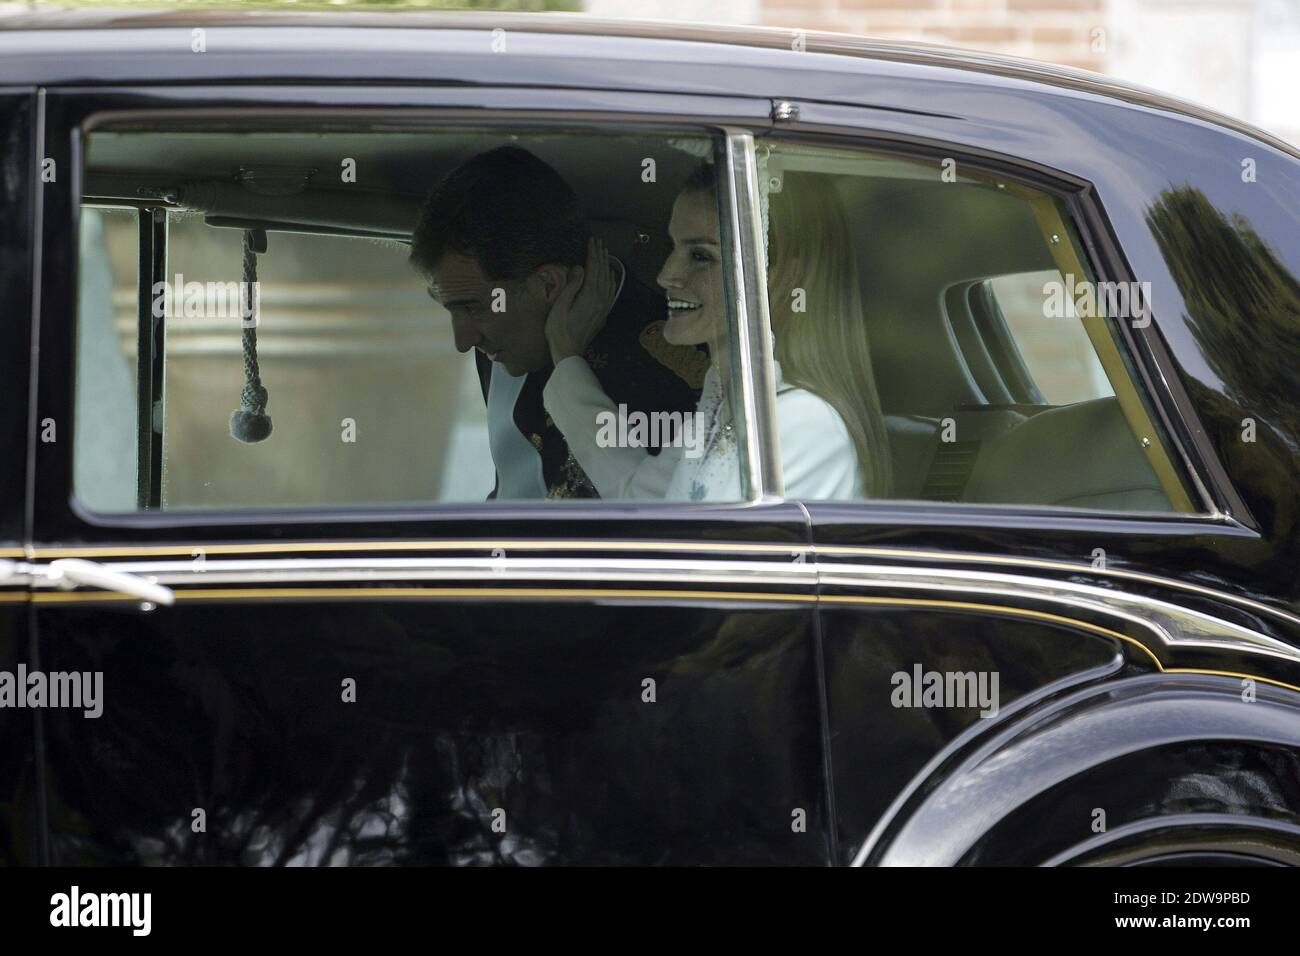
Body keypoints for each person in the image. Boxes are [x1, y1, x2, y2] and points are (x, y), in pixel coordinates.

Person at [542, 162, 891, 501]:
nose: (666, 275)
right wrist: (566, 359)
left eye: (700, 256)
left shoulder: (801, 423)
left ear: (781, 278)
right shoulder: (721, 401)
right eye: (673, 248)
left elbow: (691, 555)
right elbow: (639, 496)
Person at [408, 146, 702, 499]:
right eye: (451, 309)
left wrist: (567, 360)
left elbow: (652, 516)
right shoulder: (500, 342)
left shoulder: (674, 367)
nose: (462, 340)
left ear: (548, 284)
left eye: (473, 307)